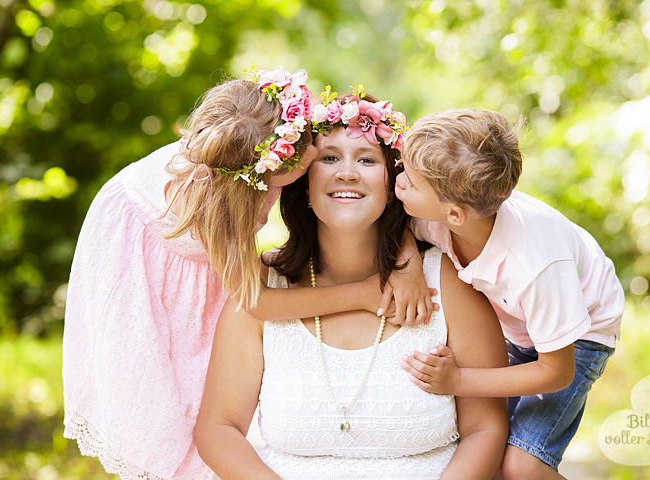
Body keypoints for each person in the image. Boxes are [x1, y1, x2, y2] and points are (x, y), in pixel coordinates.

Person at [62, 68, 431, 480]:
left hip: (202, 285)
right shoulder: (212, 197)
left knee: (210, 398)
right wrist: (362, 294)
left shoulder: (260, 142)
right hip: (146, 286)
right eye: (277, 188)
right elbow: (256, 302)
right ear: (256, 179)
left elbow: (372, 199)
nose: (327, 171)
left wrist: (407, 253)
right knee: (164, 417)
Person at [195, 92, 509, 480]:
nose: (347, 172)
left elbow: (486, 429)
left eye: (366, 159)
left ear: (396, 182)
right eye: (329, 157)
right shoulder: (262, 287)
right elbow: (218, 429)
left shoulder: (446, 281)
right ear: (302, 180)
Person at [396, 108, 625, 479]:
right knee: (483, 450)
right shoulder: (436, 215)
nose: (398, 182)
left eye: (410, 179)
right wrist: (407, 268)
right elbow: (396, 227)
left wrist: (458, 380)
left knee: (522, 466)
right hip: (521, 325)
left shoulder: (535, 266)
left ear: (455, 215)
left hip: (581, 332)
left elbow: (555, 372)